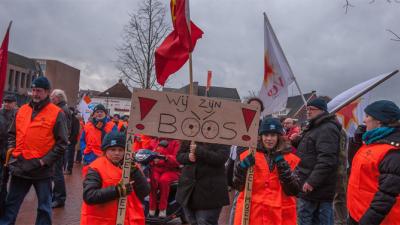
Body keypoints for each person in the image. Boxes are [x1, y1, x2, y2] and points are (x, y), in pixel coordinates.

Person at [0, 77, 68, 225]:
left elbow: (62, 144)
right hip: (20, 166)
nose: (35, 94)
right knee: (11, 205)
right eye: (34, 90)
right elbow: (12, 134)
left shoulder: (57, 113)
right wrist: (13, 151)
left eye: (39, 91)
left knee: (44, 208)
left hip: (41, 170)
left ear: (47, 92)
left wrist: (43, 161)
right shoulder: (22, 110)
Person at [232, 117, 301, 225]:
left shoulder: (290, 158)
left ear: (279, 137)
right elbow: (237, 186)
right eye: (266, 135)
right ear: (260, 136)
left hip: (279, 216)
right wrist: (242, 168)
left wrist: (283, 166)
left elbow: (294, 190)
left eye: (273, 135)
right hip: (253, 215)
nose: (269, 139)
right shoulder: (248, 155)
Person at [347, 100, 400, 225]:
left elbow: (386, 196)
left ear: (379, 120)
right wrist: (356, 142)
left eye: (367, 116)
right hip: (357, 213)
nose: (364, 121)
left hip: (376, 220)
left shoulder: (393, 151)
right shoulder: (372, 142)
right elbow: (355, 166)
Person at [81, 131, 149, 225]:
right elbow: (89, 196)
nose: (117, 153)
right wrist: (117, 191)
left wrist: (135, 172)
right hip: (103, 221)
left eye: (120, 150)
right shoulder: (96, 168)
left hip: (127, 220)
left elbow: (144, 191)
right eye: (113, 150)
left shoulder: (131, 167)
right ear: (105, 150)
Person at [293, 97, 341, 225]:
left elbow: (327, 159)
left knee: (308, 218)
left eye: (311, 109)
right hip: (309, 182)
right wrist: (296, 141)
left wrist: (312, 181)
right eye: (307, 109)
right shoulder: (315, 127)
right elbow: (310, 150)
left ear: (322, 111)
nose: (308, 112)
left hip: (315, 186)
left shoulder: (326, 128)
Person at [176, 141, 230, 225]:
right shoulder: (189, 136)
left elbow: (221, 158)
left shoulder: (221, 138)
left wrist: (199, 151)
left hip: (210, 193)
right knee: (192, 222)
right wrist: (188, 157)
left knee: (205, 221)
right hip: (188, 192)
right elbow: (179, 155)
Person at [50, 89, 72, 208]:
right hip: (59, 144)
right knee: (56, 172)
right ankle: (57, 196)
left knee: (57, 173)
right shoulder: (63, 109)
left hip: (58, 145)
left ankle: (59, 198)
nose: (51, 100)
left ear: (58, 98)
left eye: (52, 98)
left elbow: (63, 129)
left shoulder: (61, 110)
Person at [148, 138, 181, 217]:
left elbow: (177, 160)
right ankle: (152, 207)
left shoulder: (176, 143)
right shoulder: (155, 141)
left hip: (171, 170)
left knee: (164, 180)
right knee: (153, 180)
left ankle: (163, 208)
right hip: (156, 169)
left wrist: (166, 158)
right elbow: (149, 153)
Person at [80, 104, 116, 173]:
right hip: (89, 157)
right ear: (94, 114)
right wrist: (84, 150)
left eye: (101, 112)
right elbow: (82, 140)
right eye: (97, 112)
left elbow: (115, 141)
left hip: (105, 158)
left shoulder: (112, 126)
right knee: (89, 180)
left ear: (105, 113)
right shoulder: (87, 125)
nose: (99, 113)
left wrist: (110, 153)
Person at [0, 94, 17, 175]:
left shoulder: (18, 115)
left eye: (9, 102)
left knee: (6, 175)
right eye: (5, 102)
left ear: (14, 103)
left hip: (11, 149)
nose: (6, 104)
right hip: (1, 147)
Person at [64, 107, 80, 175]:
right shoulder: (66, 118)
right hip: (65, 139)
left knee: (70, 155)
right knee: (65, 155)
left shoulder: (75, 120)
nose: (69, 112)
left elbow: (75, 132)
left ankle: (69, 169)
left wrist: (70, 140)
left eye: (70, 111)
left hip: (71, 141)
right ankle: (65, 168)